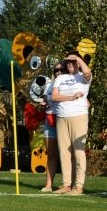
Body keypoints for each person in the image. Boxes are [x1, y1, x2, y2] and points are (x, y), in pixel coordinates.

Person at [51, 52, 92, 195]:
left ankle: (79, 186)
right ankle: (66, 184)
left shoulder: (82, 77)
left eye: (72, 61)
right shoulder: (61, 78)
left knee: (79, 151)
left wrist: (78, 59)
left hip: (78, 116)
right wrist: (71, 97)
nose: (69, 63)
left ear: (78, 62)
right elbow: (54, 96)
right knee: (64, 152)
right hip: (62, 117)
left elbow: (87, 71)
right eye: (67, 61)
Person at [41, 62, 64, 192]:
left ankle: (68, 184)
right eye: (56, 70)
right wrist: (44, 104)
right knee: (51, 154)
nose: (58, 72)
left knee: (67, 154)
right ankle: (48, 185)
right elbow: (45, 100)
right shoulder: (50, 85)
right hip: (50, 120)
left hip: (63, 119)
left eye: (61, 70)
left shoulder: (68, 84)